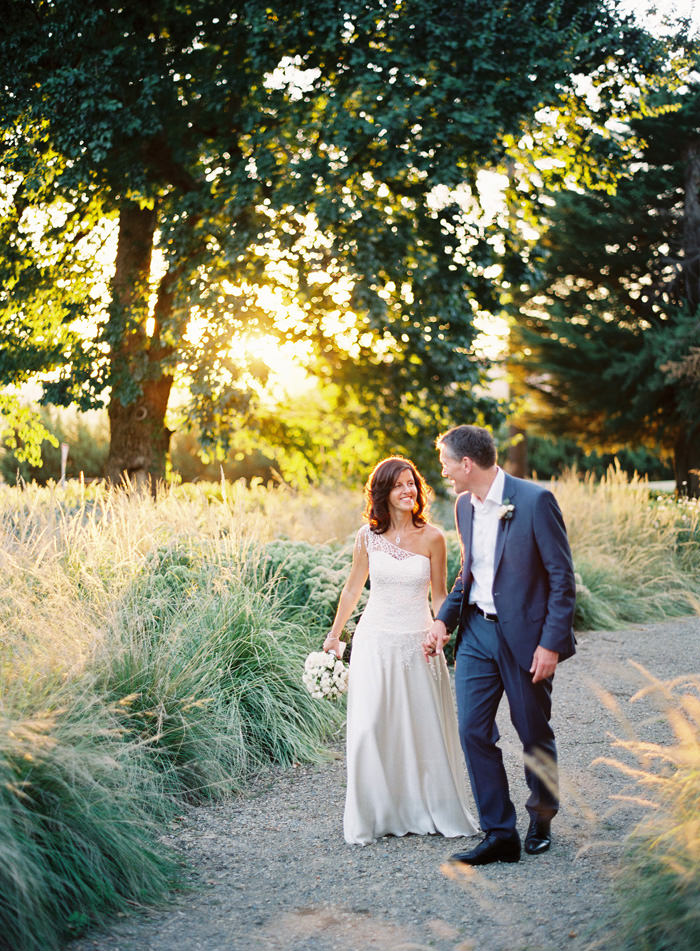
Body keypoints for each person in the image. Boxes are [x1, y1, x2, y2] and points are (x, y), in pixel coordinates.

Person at [424, 425, 576, 866]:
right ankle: (499, 833)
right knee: (473, 730)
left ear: (467, 464)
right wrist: (443, 620)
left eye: (446, 464)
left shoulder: (534, 501)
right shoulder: (462, 507)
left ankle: (542, 817)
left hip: (527, 640)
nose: (444, 472)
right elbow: (468, 572)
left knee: (533, 732)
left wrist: (550, 645)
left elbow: (562, 580)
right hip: (476, 634)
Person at [323, 456, 479, 846]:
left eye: (412, 483)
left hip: (417, 641)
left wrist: (442, 633)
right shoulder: (366, 537)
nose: (408, 490)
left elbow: (441, 595)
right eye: (399, 486)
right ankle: (378, 814)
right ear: (383, 494)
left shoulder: (434, 538)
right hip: (374, 639)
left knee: (420, 728)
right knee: (370, 727)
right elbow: (352, 588)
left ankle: (424, 807)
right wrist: (334, 634)